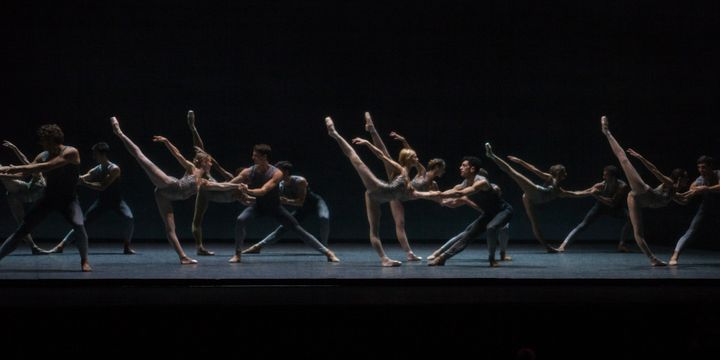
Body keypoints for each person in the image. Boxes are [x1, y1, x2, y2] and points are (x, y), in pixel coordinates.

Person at [111, 116, 223, 265]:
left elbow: (223, 186)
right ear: (203, 162)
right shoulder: (191, 168)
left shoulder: (205, 181)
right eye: (209, 161)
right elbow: (178, 155)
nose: (211, 163)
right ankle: (119, 132)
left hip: (163, 195)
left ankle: (183, 257)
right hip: (169, 185)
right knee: (141, 158)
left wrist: (239, 188)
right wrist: (167, 142)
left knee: (170, 229)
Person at [325, 115, 425, 266]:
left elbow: (417, 188)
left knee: (376, 229)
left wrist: (438, 196)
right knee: (356, 159)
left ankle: (386, 259)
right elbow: (382, 155)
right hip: (379, 189)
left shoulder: (413, 174)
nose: (417, 158)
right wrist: (367, 143)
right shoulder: (400, 169)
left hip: (379, 198)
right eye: (414, 157)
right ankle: (335, 134)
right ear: (409, 159)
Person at [224, 144, 339, 263]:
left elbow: (263, 190)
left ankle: (328, 252)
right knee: (240, 220)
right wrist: (208, 185)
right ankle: (237, 255)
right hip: (259, 206)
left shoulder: (276, 173)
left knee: (298, 230)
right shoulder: (249, 171)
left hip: (275, 208)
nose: (253, 158)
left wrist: (247, 190)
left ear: (264, 157)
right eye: (253, 155)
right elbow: (229, 184)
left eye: (256, 156)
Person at [0, 124, 91, 271]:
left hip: (69, 199)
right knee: (21, 230)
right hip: (48, 198)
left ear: (51, 140)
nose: (41, 143)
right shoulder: (43, 155)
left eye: (43, 140)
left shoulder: (71, 152)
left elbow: (46, 167)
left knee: (79, 226)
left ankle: (84, 261)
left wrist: (15, 168)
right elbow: (27, 173)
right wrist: (5, 174)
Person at [600, 116, 689, 266]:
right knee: (624, 160)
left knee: (638, 232)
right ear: (679, 179)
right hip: (643, 192)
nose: (688, 180)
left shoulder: (674, 193)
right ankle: (606, 132)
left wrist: (694, 192)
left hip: (636, 200)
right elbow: (655, 171)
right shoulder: (669, 183)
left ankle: (653, 260)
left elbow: (683, 201)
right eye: (686, 178)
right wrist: (641, 158)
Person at [363, 112, 445, 261]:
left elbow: (439, 200)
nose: (443, 172)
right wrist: (404, 141)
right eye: (442, 169)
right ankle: (372, 129)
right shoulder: (422, 171)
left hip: (402, 196)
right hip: (398, 184)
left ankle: (409, 254)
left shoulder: (433, 184)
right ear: (437, 167)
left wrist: (453, 198)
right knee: (385, 156)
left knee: (400, 223)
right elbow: (412, 156)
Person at [484, 142, 596, 252]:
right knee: (513, 172)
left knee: (535, 224)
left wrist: (591, 191)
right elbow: (534, 170)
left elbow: (576, 194)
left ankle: (547, 247)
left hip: (533, 198)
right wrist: (520, 161)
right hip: (535, 192)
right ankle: (492, 155)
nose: (565, 174)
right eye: (564, 172)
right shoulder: (550, 178)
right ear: (559, 173)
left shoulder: (559, 191)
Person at [414, 157, 513, 267]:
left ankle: (492, 259)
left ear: (472, 169)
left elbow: (460, 193)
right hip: (489, 214)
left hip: (504, 211)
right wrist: (427, 194)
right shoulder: (466, 182)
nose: (460, 168)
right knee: (467, 235)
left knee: (491, 227)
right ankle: (442, 258)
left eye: (464, 165)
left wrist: (427, 194)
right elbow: (452, 191)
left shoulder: (481, 182)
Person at [48, 142, 135, 254]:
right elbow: (82, 178)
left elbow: (102, 186)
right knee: (82, 223)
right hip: (102, 202)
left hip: (116, 202)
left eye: (95, 153)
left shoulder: (114, 169)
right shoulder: (97, 169)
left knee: (129, 218)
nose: (93, 156)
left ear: (101, 154)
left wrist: (84, 183)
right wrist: (66, 178)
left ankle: (126, 247)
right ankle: (61, 246)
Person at [186, 110, 247, 256]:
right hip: (207, 188)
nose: (210, 162)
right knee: (197, 220)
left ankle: (199, 247)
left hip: (214, 188)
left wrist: (224, 173)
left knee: (197, 220)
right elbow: (201, 152)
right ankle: (199, 247)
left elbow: (205, 154)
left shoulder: (206, 165)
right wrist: (193, 127)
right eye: (208, 161)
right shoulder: (200, 167)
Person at [242, 161, 331, 254]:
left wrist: (286, 201)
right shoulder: (280, 185)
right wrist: (249, 198)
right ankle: (258, 247)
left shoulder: (300, 181)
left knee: (324, 218)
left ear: (286, 172)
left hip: (315, 203)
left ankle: (324, 247)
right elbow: (267, 198)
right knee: (283, 228)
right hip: (302, 209)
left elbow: (300, 202)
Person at [558, 165, 633, 252]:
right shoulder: (601, 185)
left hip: (616, 208)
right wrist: (566, 193)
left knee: (631, 220)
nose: (603, 177)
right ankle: (563, 245)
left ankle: (622, 245)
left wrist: (596, 195)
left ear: (613, 176)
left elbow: (612, 202)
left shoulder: (622, 186)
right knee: (583, 225)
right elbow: (584, 192)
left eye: (605, 175)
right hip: (600, 207)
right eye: (603, 174)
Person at [669, 155, 720, 266]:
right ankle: (675, 255)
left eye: (704, 167)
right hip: (707, 206)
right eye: (699, 167)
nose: (701, 170)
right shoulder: (701, 179)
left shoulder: (718, 174)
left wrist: (707, 188)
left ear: (711, 167)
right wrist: (679, 195)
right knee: (691, 230)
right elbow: (691, 189)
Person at [0, 140, 49, 254]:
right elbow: (25, 160)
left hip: (31, 194)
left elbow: (23, 171)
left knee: (6, 176)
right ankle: (33, 247)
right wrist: (14, 148)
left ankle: (33, 247)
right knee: (20, 222)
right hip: (23, 190)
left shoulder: (41, 174)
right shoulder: (37, 171)